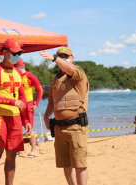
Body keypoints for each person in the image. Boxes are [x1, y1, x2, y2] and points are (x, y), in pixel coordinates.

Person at [0, 38, 32, 185]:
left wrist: (26, 120)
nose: (18, 55)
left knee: (12, 155)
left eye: (20, 53)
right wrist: (12, 102)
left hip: (16, 118)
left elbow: (23, 97)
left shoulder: (18, 72)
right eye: (15, 53)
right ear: (5, 53)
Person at [40, 47, 89, 185]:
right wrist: (46, 116)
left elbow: (70, 69)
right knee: (66, 164)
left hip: (76, 126)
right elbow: (51, 101)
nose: (62, 58)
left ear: (72, 58)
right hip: (59, 128)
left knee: (79, 164)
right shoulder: (56, 79)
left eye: (65, 56)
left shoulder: (78, 73)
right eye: (59, 55)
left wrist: (55, 58)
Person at [14, 59, 43, 157]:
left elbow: (40, 90)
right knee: (17, 127)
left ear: (17, 67)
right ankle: (18, 150)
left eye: (14, 67)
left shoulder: (30, 76)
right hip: (18, 104)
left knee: (29, 128)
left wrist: (36, 104)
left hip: (28, 104)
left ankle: (34, 150)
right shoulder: (15, 76)